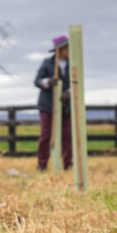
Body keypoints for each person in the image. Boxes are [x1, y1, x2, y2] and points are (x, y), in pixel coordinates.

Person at [33, 35, 72, 171]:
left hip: (65, 105)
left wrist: (69, 92)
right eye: (66, 47)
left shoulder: (73, 63)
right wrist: (48, 81)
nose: (68, 50)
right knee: (45, 136)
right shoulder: (47, 63)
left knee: (67, 136)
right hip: (48, 105)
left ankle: (68, 163)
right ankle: (42, 165)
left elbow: (76, 82)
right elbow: (37, 81)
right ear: (59, 49)